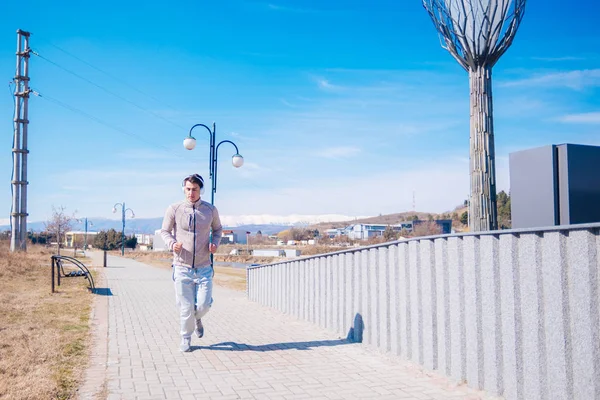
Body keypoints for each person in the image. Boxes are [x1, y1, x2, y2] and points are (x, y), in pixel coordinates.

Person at [160, 174, 222, 352]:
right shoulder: (174, 209)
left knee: (203, 305)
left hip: (204, 267)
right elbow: (164, 231)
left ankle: (198, 317)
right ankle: (185, 338)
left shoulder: (210, 210)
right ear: (184, 189)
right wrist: (172, 244)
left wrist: (215, 243)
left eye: (194, 189)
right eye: (188, 189)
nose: (191, 193)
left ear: (200, 190)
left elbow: (218, 230)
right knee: (185, 307)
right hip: (182, 267)